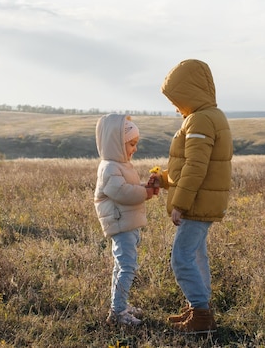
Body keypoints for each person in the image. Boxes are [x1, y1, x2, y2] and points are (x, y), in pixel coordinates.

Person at [152, 59, 233, 333]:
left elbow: (196, 168)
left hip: (196, 203)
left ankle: (201, 317)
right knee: (197, 257)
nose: (175, 105)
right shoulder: (210, 116)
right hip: (201, 199)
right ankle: (197, 311)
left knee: (181, 257)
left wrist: (180, 203)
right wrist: (164, 180)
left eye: (176, 98)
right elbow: (190, 165)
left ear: (190, 92)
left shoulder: (200, 119)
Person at [94, 114, 156, 326]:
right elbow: (120, 192)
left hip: (126, 223)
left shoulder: (119, 165)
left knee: (121, 266)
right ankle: (118, 313)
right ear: (117, 144)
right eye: (131, 144)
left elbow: (128, 188)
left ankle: (118, 305)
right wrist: (145, 193)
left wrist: (144, 188)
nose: (135, 149)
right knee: (127, 266)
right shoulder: (110, 167)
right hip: (121, 225)